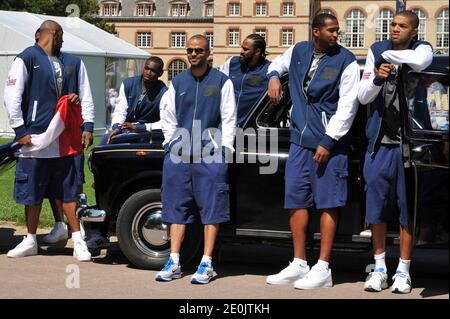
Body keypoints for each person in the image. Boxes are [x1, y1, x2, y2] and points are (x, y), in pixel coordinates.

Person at [265, 13, 360, 289]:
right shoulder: (298, 50)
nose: (336, 35)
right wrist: (273, 76)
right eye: (331, 30)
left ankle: (323, 267)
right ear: (315, 31)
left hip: (329, 144)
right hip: (299, 141)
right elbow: (277, 64)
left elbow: (348, 106)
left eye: (337, 31)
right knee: (296, 200)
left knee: (328, 202)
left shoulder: (347, 61)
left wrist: (329, 140)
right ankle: (299, 262)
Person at [3, 20, 94, 261]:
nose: (59, 37)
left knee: (68, 192)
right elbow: (12, 95)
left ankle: (77, 240)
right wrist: (20, 129)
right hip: (33, 138)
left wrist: (88, 125)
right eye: (55, 32)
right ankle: (30, 239)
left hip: (65, 139)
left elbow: (86, 94)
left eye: (60, 33)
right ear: (38, 34)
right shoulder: (27, 58)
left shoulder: (73, 62)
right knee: (31, 192)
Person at [358, 10, 433, 294]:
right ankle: (379, 268)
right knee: (376, 208)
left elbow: (422, 61)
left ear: (414, 30)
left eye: (402, 26)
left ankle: (404, 270)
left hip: (410, 144)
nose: (395, 29)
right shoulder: (376, 50)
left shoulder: (420, 48)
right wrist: (377, 77)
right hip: (379, 142)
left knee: (406, 209)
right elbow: (362, 96)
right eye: (392, 25)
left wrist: (388, 57)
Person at [155, 34, 236, 284]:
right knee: (175, 209)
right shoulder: (177, 82)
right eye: (190, 50)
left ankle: (206, 262)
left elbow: (229, 119)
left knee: (211, 210)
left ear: (208, 52)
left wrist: (224, 151)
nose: (193, 54)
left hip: (209, 156)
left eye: (198, 50)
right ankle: (175, 261)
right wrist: (170, 144)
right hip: (179, 157)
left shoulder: (222, 81)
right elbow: (167, 116)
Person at [86, 56, 167, 249]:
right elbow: (120, 109)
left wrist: (140, 127)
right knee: (101, 153)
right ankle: (99, 230)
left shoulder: (165, 92)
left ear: (160, 73)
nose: (149, 72)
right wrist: (117, 127)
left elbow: (165, 122)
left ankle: (105, 228)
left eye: (154, 70)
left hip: (147, 135)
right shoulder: (129, 84)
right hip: (123, 131)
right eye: (147, 68)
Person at [219, 34, 270, 127]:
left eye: (246, 49)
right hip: (225, 125)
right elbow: (217, 83)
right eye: (242, 48)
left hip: (250, 128)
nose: (241, 52)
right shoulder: (231, 62)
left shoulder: (269, 69)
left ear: (257, 51)